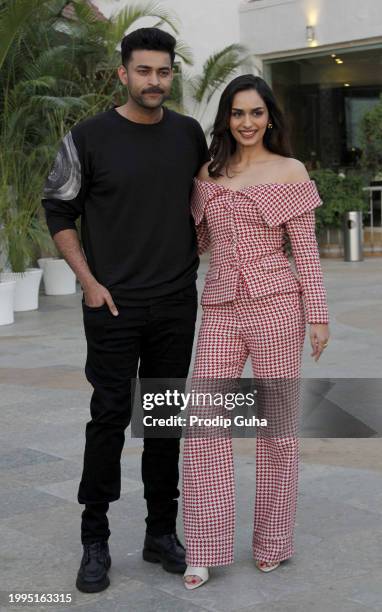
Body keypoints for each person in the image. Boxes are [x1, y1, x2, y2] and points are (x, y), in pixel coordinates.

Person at [42, 27, 209, 593]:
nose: (154, 81)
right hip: (111, 304)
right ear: (123, 74)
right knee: (109, 417)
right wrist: (88, 282)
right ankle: (95, 540)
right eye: (144, 71)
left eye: (163, 72)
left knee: (164, 420)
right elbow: (59, 212)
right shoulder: (87, 138)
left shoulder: (189, 134)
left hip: (174, 303)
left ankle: (161, 532)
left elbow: (207, 200)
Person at [182, 74, 330, 589]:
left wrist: (319, 314)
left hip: (276, 309)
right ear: (226, 118)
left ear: (270, 117)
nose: (247, 123)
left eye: (256, 113)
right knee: (203, 425)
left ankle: (272, 542)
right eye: (238, 114)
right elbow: (194, 243)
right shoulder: (208, 172)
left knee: (276, 430)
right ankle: (202, 547)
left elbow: (305, 251)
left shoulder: (290, 171)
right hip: (220, 308)